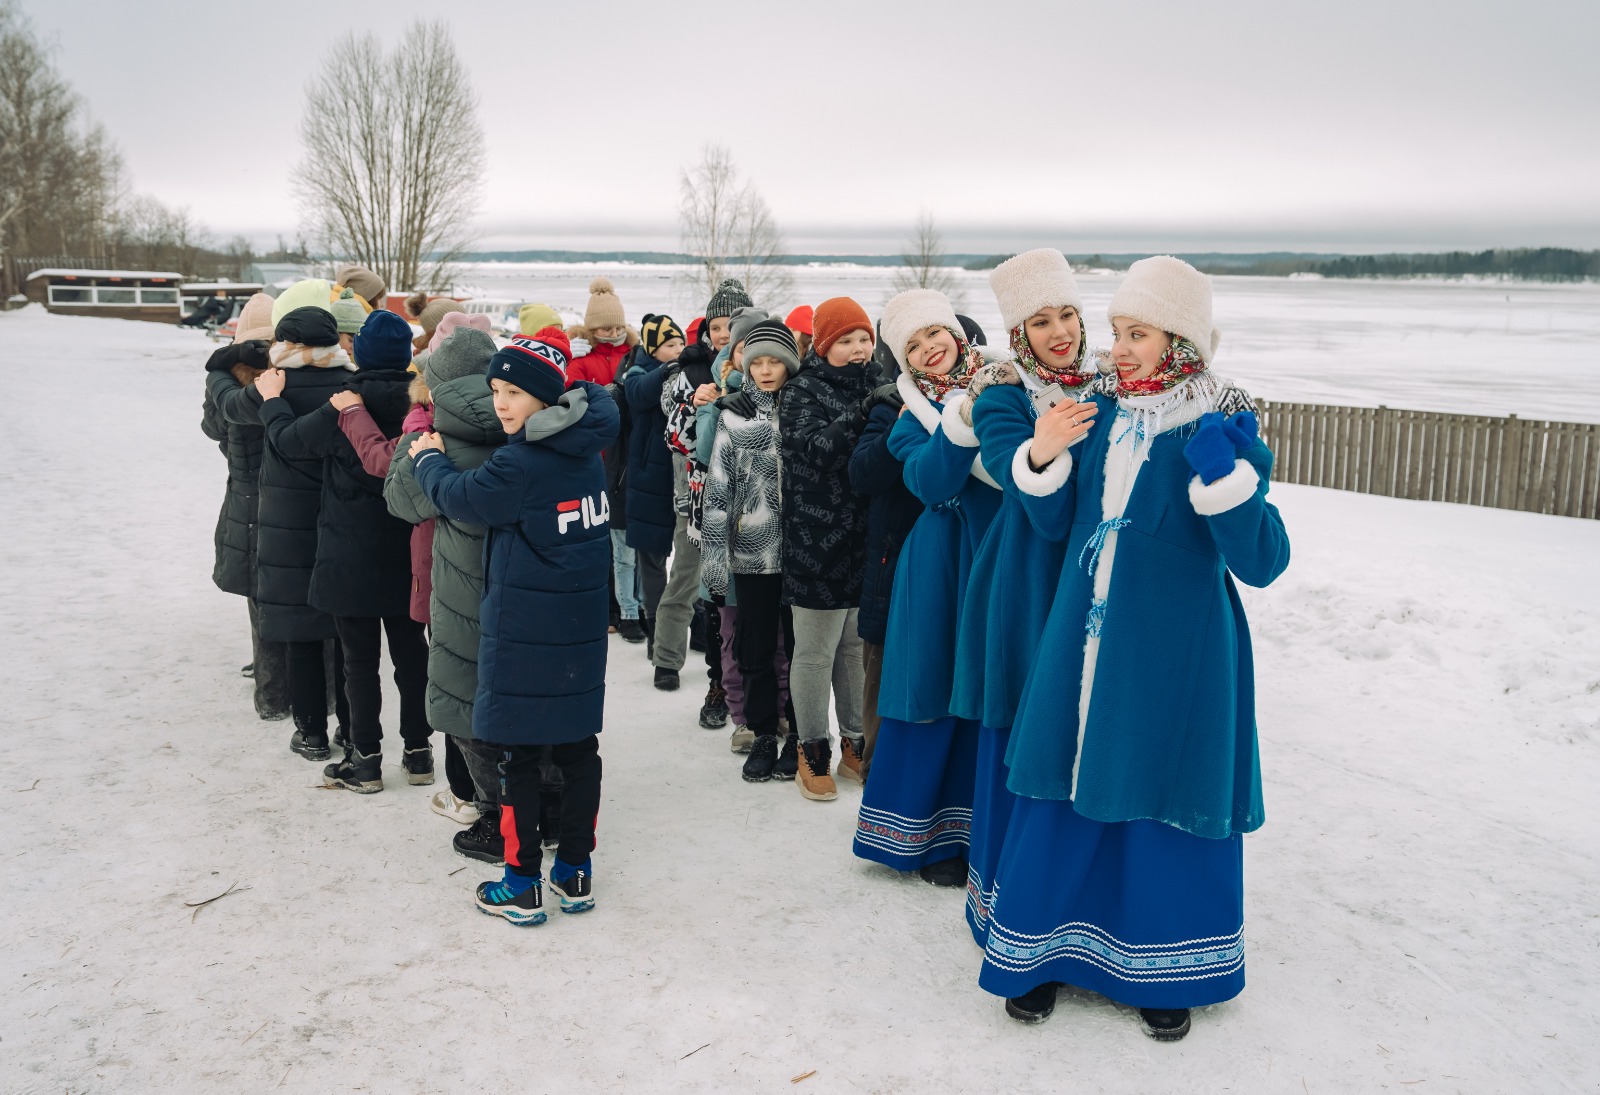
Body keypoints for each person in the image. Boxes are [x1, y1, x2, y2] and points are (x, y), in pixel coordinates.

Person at [978, 256, 1289, 1040]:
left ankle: (1167, 963)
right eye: (1115, 330)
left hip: (1177, 650)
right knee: (1059, 777)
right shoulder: (1099, 413)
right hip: (1080, 634)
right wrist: (1042, 454)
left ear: (1178, 338)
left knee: (1160, 788)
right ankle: (1038, 955)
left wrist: (1228, 481)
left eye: (1138, 332)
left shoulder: (1222, 421)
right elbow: (1053, 524)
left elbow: (1263, 560)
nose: (1118, 347)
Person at [409, 327, 618, 925]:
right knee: (579, 751)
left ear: (546, 400)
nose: (501, 404)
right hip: (578, 630)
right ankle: (575, 873)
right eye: (496, 390)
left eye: (514, 393)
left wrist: (425, 457)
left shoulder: (522, 463)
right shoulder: (584, 448)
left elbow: (459, 497)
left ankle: (521, 883)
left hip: (526, 633)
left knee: (519, 759)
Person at [955, 248, 1100, 940]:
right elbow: (1039, 507)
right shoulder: (1001, 395)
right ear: (1019, 333)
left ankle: (1077, 902)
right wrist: (1041, 450)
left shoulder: (1105, 385)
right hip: (1025, 582)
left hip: (1088, 587)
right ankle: (1010, 906)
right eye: (1041, 321)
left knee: (1079, 736)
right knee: (1022, 736)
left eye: (1068, 313)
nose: (1060, 331)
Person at [853, 290, 1000, 879]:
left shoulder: (1010, 390)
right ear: (903, 361)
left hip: (999, 555)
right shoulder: (907, 418)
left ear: (957, 334)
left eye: (934, 334)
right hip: (938, 565)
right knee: (932, 691)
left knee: (989, 693)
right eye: (912, 344)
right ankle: (928, 837)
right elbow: (934, 483)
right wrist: (961, 421)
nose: (928, 348)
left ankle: (983, 833)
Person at [256, 309, 435, 792]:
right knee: (410, 655)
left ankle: (366, 759)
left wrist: (271, 400)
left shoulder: (344, 402)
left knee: (358, 661)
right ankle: (419, 753)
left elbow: (288, 444)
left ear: (359, 350)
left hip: (347, 549)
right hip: (407, 547)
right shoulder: (421, 403)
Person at [223, 299, 353, 760]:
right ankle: (351, 731)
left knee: (298, 631)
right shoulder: (351, 385)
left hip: (285, 527)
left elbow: (226, 410)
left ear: (287, 343)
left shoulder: (271, 385)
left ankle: (312, 733)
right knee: (344, 632)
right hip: (342, 523)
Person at [775, 297, 877, 787]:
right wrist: (864, 413)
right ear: (824, 344)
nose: (858, 349)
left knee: (855, 649)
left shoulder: (880, 384)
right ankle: (811, 747)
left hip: (865, 538)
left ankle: (855, 744)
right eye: (846, 341)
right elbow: (817, 450)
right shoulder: (801, 391)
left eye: (864, 339)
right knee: (815, 651)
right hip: (814, 539)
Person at [698, 320, 803, 783]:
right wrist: (716, 558)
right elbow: (718, 489)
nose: (764, 370)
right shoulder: (733, 414)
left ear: (789, 364)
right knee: (756, 647)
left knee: (802, 651)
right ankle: (762, 731)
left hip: (804, 554)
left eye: (773, 361)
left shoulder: (805, 408)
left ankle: (801, 733)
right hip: (752, 554)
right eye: (755, 361)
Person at [651, 279, 750, 702]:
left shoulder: (765, 369)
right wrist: (696, 402)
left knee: (737, 593)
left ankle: (737, 676)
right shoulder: (688, 370)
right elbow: (675, 435)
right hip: (698, 498)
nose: (723, 334)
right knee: (686, 578)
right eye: (715, 327)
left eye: (731, 325)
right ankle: (667, 658)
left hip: (750, 503)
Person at [201, 292, 289, 720]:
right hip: (294, 501)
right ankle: (319, 694)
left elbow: (211, 427)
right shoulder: (292, 376)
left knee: (259, 597)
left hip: (246, 499)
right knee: (299, 598)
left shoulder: (231, 382)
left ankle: (271, 695)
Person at [619, 313, 687, 657]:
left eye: (680, 344)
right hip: (649, 478)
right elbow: (637, 394)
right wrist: (666, 372)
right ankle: (656, 631)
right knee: (652, 560)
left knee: (687, 559)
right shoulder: (637, 369)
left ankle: (687, 625)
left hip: (681, 474)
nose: (677, 350)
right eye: (670, 345)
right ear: (652, 348)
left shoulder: (684, 370)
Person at [566, 278, 637, 386]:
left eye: (619, 328)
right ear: (592, 330)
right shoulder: (579, 357)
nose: (614, 335)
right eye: (607, 329)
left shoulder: (634, 354)